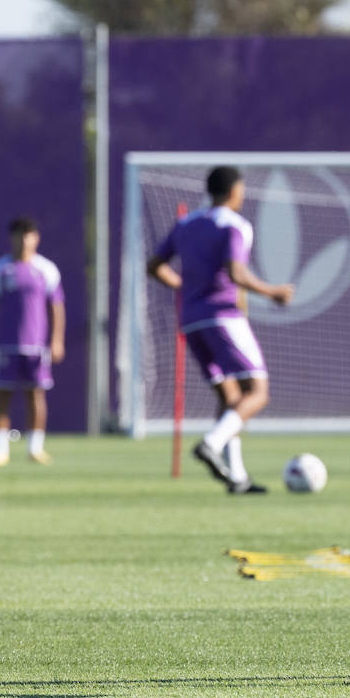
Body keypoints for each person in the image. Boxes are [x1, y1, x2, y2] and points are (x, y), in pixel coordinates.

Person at [148, 165, 294, 494]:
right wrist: (274, 292)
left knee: (230, 397)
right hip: (223, 317)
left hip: (192, 320)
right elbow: (236, 273)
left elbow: (153, 266)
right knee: (257, 392)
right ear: (234, 191)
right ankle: (211, 444)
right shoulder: (235, 225)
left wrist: (182, 286)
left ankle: (237, 478)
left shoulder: (187, 223)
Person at [0, 217, 66, 465]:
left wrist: (56, 339)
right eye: (19, 234)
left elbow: (56, 306)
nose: (24, 240)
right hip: (6, 344)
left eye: (28, 234)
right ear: (12, 238)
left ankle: (35, 448)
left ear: (36, 238)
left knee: (35, 396)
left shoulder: (46, 269)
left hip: (37, 346)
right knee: (2, 395)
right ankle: (0, 450)